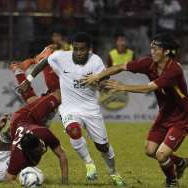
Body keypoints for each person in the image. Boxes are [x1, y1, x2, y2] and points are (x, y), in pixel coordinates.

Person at [81, 33, 188, 188]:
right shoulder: (149, 63)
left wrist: (122, 87)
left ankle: (172, 181)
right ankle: (180, 162)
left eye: (156, 48)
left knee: (161, 155)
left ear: (167, 51)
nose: (152, 51)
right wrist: (98, 76)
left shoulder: (174, 69)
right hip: (165, 113)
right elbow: (120, 67)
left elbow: (149, 88)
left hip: (182, 117)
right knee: (150, 150)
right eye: (151, 48)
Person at [18, 32, 126, 186]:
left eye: (82, 49)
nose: (79, 52)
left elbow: (105, 85)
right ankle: (89, 164)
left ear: (90, 49)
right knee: (73, 131)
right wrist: (28, 80)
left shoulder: (96, 62)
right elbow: (44, 62)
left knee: (102, 146)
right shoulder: (62, 56)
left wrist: (97, 83)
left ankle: (114, 173)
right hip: (69, 107)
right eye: (76, 49)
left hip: (90, 109)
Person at [4, 89, 69, 185]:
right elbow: (8, 178)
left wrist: (65, 182)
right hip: (21, 122)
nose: (43, 149)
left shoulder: (44, 133)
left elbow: (62, 155)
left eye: (41, 145)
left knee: (56, 97)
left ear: (39, 140)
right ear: (28, 151)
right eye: (38, 150)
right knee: (33, 100)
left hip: (27, 116)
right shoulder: (17, 156)